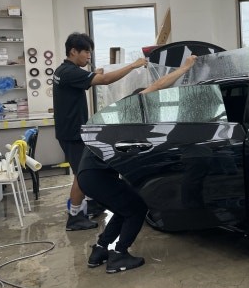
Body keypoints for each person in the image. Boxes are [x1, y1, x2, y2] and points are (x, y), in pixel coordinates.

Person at [80, 55, 197, 273]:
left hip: (88, 175)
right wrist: (185, 68)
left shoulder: (122, 118)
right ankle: (119, 255)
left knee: (124, 208)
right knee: (137, 208)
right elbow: (158, 85)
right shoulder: (132, 106)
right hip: (97, 175)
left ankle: (100, 250)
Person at [53, 32, 147, 231]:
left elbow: (88, 80)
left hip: (69, 130)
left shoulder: (63, 71)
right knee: (81, 174)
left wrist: (94, 73)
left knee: (85, 171)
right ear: (73, 51)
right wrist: (133, 65)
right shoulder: (70, 72)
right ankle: (75, 217)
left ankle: (92, 204)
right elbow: (104, 80)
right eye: (86, 52)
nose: (89, 56)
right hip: (72, 133)